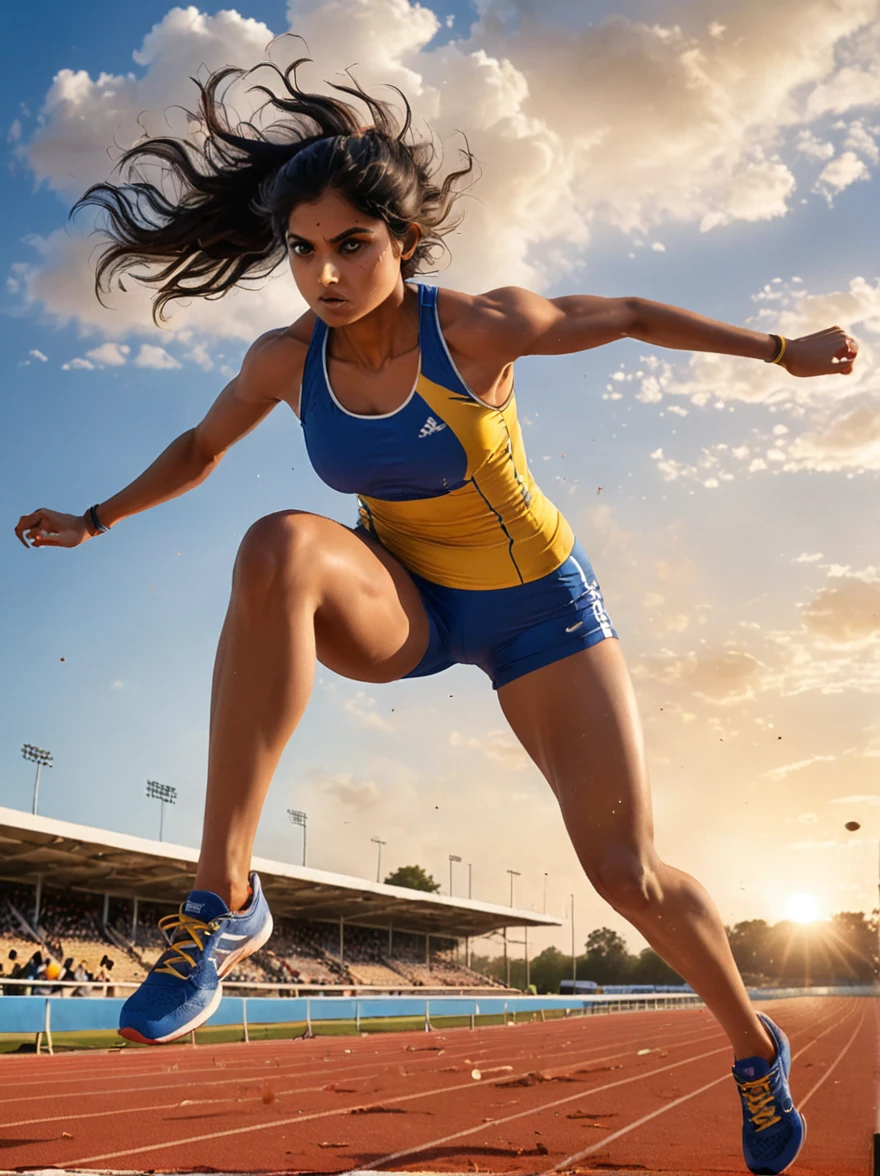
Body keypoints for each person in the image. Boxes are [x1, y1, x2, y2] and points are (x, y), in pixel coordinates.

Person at [13, 59, 858, 1175]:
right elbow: (201, 450)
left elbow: (628, 313)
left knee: (625, 873)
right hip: (405, 604)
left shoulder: (479, 329)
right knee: (276, 544)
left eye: (348, 245)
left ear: (400, 237)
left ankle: (752, 1051)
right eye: (302, 250)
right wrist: (96, 517)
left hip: (539, 615)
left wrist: (776, 350)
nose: (322, 272)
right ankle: (223, 895)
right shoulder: (284, 360)